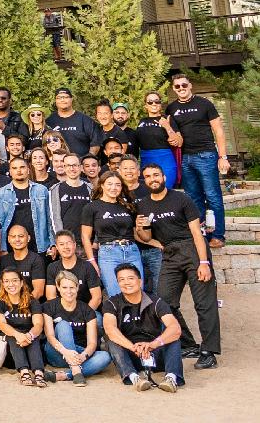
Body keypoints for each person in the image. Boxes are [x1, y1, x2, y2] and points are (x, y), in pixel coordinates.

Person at [137, 163, 221, 369]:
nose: (152, 179)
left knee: (204, 303)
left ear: (164, 177)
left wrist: (204, 262)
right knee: (165, 302)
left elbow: (197, 233)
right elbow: (146, 237)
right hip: (170, 253)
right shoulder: (143, 205)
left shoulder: (181, 199)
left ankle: (209, 351)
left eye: (156, 175)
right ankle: (188, 343)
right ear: (144, 181)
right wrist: (142, 229)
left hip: (192, 249)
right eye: (147, 176)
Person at [166, 75, 230, 248]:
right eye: (177, 86)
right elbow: (172, 134)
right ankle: (201, 235)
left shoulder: (204, 104)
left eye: (184, 85)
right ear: (174, 89)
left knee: (213, 197)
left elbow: (219, 130)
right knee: (194, 199)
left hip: (206, 155)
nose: (181, 88)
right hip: (186, 158)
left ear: (190, 85)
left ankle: (218, 235)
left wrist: (223, 157)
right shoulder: (171, 108)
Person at [101, 263, 182, 392]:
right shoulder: (111, 303)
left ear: (140, 281)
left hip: (153, 352)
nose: (126, 282)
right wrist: (132, 347)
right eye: (121, 280)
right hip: (130, 354)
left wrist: (153, 344)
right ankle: (135, 378)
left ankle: (171, 378)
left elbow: (175, 328)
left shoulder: (156, 302)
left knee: (173, 338)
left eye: (130, 278)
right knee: (112, 341)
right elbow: (110, 329)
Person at [41, 268, 111, 385]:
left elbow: (92, 343)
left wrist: (83, 356)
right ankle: (75, 369)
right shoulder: (49, 307)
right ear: (58, 288)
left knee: (105, 356)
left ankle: (64, 375)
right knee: (63, 325)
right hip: (57, 352)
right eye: (64, 287)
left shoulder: (87, 310)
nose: (69, 291)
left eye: (72, 287)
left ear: (77, 288)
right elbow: (50, 336)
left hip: (79, 353)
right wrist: (66, 352)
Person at [82, 170, 141, 299]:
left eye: (117, 185)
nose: (113, 188)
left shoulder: (128, 206)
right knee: (116, 295)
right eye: (109, 184)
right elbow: (85, 236)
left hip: (132, 251)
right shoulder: (92, 207)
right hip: (109, 253)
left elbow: (136, 232)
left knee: (137, 293)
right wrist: (92, 260)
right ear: (102, 185)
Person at [0, 268, 46, 386]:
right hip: (10, 351)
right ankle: (24, 372)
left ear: (21, 283)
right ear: (2, 284)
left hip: (31, 345)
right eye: (7, 281)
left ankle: (38, 372)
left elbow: (38, 325)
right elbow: (2, 324)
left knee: (34, 336)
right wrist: (18, 335)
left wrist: (28, 336)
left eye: (15, 280)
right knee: (11, 334)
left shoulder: (32, 301)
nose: (11, 284)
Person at [133, 91, 181, 185]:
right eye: (150, 102)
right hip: (146, 159)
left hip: (165, 159)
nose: (154, 104)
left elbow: (179, 142)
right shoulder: (141, 121)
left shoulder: (167, 119)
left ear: (160, 104)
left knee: (165, 189)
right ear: (146, 106)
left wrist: (167, 126)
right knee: (148, 192)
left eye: (157, 101)